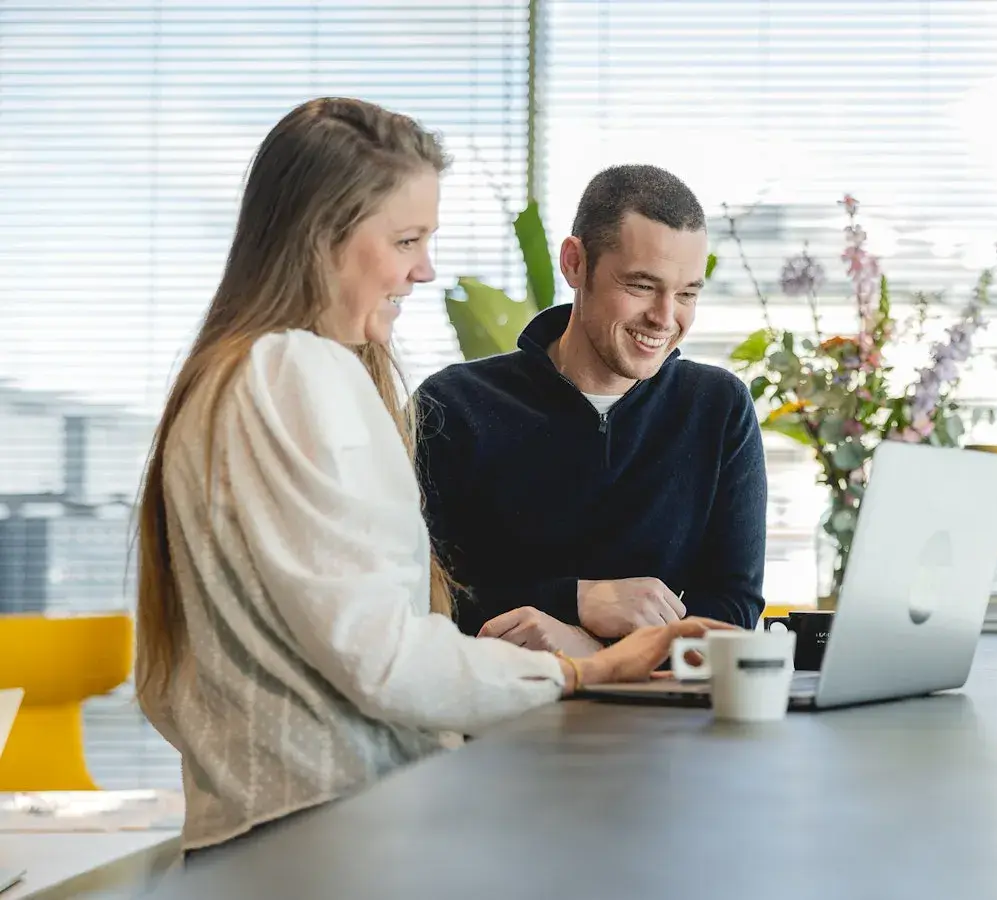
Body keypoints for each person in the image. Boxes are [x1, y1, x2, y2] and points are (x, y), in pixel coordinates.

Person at [132, 98, 732, 863]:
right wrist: (578, 668)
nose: (426, 269)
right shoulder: (292, 374)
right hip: (321, 838)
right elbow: (382, 656)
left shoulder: (244, 373)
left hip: (290, 825)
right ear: (323, 236)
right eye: (406, 239)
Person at [415, 164, 768, 653]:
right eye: (642, 286)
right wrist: (578, 600)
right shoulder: (453, 406)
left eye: (686, 293)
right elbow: (427, 601)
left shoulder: (718, 408)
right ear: (575, 263)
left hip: (666, 722)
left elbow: (735, 610)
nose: (665, 319)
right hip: (500, 715)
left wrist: (591, 651)